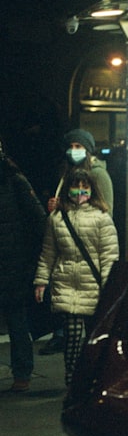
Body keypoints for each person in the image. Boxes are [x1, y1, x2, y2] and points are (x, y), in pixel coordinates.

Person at [33, 169, 118, 387]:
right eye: (76, 186)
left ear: (92, 189)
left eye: (85, 187)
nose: (80, 191)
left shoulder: (102, 218)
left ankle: (91, 376)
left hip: (93, 285)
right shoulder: (57, 218)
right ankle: (72, 378)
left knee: (93, 338)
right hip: (66, 283)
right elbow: (48, 252)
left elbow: (108, 256)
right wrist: (41, 281)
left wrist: (108, 286)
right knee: (72, 336)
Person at [39, 128, 114, 355]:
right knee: (72, 333)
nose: (74, 151)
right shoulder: (66, 173)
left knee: (92, 330)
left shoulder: (98, 175)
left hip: (89, 260)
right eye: (71, 147)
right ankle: (73, 375)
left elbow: (105, 211)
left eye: (78, 147)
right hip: (69, 263)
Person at [0, 142, 47, 392]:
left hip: (12, 261)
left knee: (17, 317)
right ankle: (22, 374)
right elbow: (37, 218)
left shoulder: (13, 179)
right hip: (14, 260)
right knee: (17, 318)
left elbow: (37, 218)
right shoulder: (14, 177)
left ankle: (22, 373)